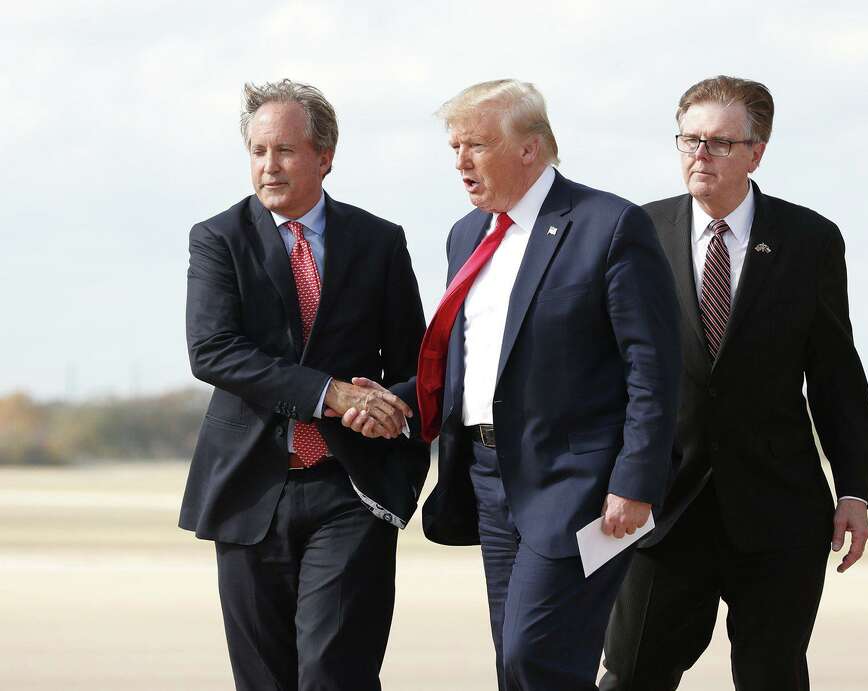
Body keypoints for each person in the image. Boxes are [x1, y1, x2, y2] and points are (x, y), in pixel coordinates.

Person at [343, 79, 681, 691]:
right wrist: (391, 399)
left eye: (475, 145)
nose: (460, 162)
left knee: (535, 655)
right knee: (519, 664)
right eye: (454, 148)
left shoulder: (609, 224)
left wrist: (635, 482)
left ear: (530, 149)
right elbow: (469, 365)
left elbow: (652, 371)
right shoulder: (466, 235)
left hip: (580, 486)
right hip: (489, 480)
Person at [599, 75, 868, 691]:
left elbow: (836, 376)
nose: (701, 154)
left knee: (772, 676)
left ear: (757, 151)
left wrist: (854, 489)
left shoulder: (810, 240)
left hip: (778, 514)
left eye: (721, 143)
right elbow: (603, 374)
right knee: (629, 676)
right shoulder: (633, 233)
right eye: (690, 139)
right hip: (658, 509)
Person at [179, 79, 428, 691]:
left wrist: (386, 407)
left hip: (350, 488)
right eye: (258, 151)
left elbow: (418, 364)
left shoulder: (379, 240)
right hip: (248, 489)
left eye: (285, 151)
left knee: (333, 676)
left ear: (325, 156)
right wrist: (331, 393)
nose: (269, 166)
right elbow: (213, 351)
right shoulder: (218, 238)